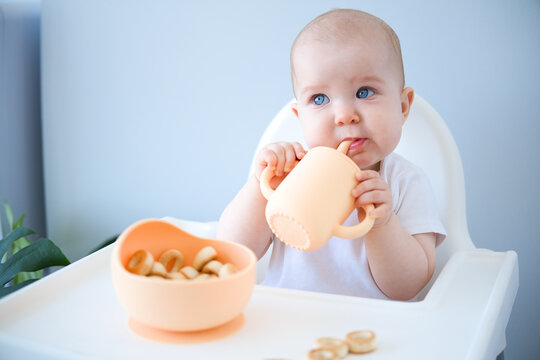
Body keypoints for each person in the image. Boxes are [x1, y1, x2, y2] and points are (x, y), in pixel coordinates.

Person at [217, 9, 446, 301]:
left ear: (403, 107)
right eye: (320, 99)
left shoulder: (405, 182)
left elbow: (408, 287)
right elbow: (232, 254)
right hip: (285, 321)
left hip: (373, 333)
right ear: (300, 117)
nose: (344, 116)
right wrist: (261, 189)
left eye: (364, 92)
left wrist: (383, 223)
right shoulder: (292, 175)